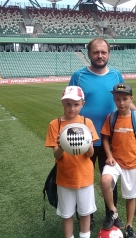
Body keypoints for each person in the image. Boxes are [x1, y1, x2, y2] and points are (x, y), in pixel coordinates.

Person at [69, 37, 136, 229]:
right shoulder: (78, 76)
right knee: (82, 179)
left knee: (110, 179)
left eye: (103, 52)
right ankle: (86, 214)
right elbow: (70, 103)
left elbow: (124, 98)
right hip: (83, 138)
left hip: (108, 140)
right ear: (89, 54)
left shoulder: (116, 75)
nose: (100, 55)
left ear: (109, 54)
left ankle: (111, 214)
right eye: (96, 52)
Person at [100, 83, 136, 238]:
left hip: (131, 163)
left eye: (125, 99)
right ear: (114, 100)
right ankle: (113, 211)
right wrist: (109, 156)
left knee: (130, 196)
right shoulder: (111, 117)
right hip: (115, 162)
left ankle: (129, 226)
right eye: (118, 99)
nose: (121, 103)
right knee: (105, 181)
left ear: (131, 99)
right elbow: (105, 139)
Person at [45, 86, 99, 238]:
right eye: (68, 103)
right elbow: (56, 154)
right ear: (63, 103)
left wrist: (87, 143)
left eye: (76, 104)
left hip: (84, 176)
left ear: (83, 103)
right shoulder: (55, 124)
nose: (72, 108)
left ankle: (84, 235)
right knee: (67, 213)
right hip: (64, 177)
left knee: (85, 212)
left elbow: (91, 154)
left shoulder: (86, 123)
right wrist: (61, 146)